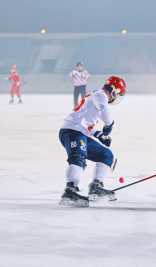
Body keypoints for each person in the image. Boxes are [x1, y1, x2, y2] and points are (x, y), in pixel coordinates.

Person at [59, 76, 126, 207]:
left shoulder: (95, 96)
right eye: (118, 94)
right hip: (72, 131)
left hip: (80, 132)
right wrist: (109, 124)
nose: (116, 98)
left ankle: (96, 187)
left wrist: (99, 134)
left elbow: (86, 122)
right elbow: (104, 111)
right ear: (113, 90)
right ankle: (70, 191)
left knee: (106, 155)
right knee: (78, 158)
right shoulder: (101, 95)